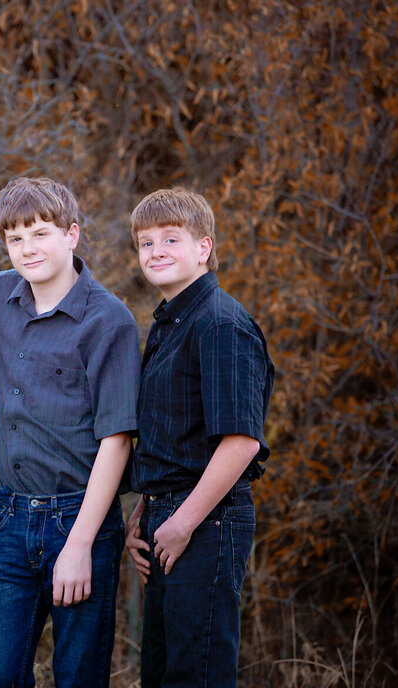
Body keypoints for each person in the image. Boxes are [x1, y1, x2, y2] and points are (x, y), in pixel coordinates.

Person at [0, 177, 140, 688]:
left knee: (77, 674)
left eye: (41, 234)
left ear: (72, 234)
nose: (28, 249)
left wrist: (81, 544)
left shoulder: (108, 321)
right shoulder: (0, 295)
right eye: (15, 239)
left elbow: (117, 441)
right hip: (12, 518)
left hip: (80, 516)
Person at [122, 187, 273, 688]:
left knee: (198, 674)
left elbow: (241, 442)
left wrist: (183, 521)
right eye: (146, 243)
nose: (157, 251)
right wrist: (146, 511)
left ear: (203, 247)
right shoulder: (170, 321)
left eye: (171, 239)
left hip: (208, 521)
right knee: (163, 674)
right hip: (168, 515)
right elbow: (175, 435)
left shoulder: (220, 323)